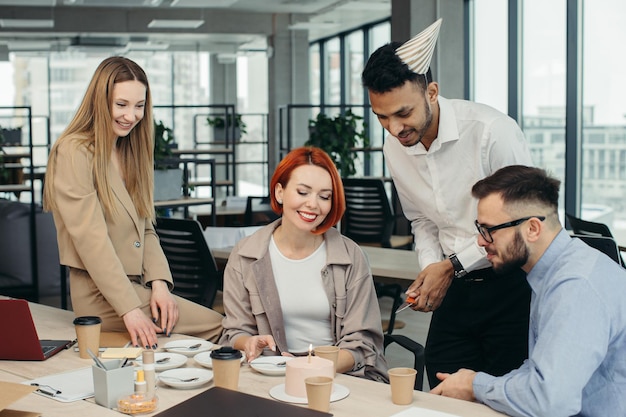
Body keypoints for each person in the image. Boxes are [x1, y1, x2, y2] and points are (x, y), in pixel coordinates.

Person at [361, 18, 534, 388]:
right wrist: (431, 271)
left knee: (507, 399)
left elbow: (521, 221)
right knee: (441, 395)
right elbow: (421, 220)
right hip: (455, 288)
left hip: (512, 287)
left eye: (403, 113)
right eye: (382, 118)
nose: (394, 129)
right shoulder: (396, 145)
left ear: (432, 92)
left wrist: (449, 266)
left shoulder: (491, 132)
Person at [43, 56, 223, 349]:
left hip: (138, 287)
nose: (132, 115)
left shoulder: (128, 150)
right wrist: (129, 309)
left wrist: (160, 285)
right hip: (100, 295)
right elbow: (91, 240)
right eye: (121, 104)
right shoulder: (74, 151)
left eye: (139, 106)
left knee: (198, 333)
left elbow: (146, 229)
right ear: (100, 102)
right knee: (219, 327)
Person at [431, 165, 626, 416]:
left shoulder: (575, 286)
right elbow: (538, 370)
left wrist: (475, 386)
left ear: (532, 229)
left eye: (489, 230)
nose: (480, 241)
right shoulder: (554, 269)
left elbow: (549, 401)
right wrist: (475, 384)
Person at [220, 146, 388, 382]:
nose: (313, 204)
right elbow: (235, 330)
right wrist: (248, 342)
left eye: (324, 196)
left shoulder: (350, 257)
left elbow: (363, 342)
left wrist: (312, 368)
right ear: (280, 192)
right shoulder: (246, 254)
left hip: (338, 374)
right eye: (303, 192)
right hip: (269, 372)